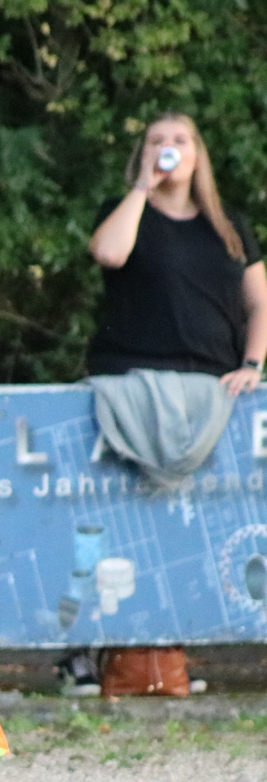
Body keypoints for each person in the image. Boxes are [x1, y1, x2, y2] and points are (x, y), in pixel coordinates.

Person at [62, 112, 265, 697]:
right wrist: (141, 188)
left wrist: (252, 364)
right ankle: (83, 653)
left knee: (190, 530)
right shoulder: (124, 210)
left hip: (210, 395)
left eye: (179, 140)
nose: (168, 148)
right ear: (142, 153)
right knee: (110, 526)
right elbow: (108, 253)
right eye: (156, 141)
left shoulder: (230, 226)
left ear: (198, 154)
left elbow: (260, 304)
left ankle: (172, 651)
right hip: (128, 385)